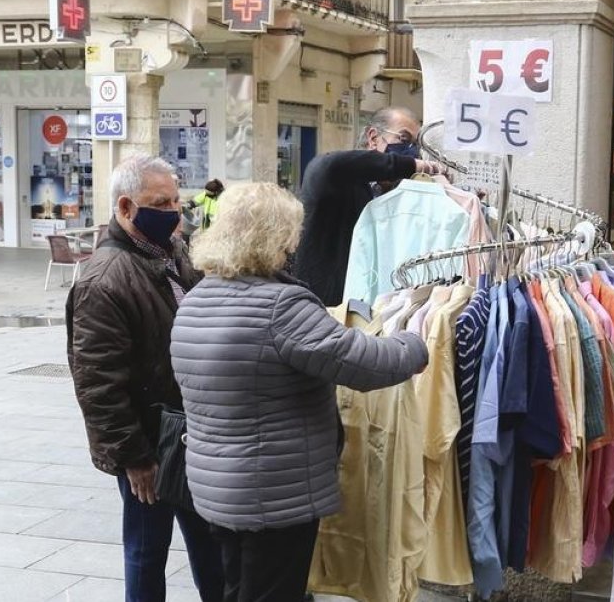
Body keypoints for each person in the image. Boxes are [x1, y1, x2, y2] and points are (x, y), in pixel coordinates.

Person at [171, 182, 430, 602]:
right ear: (279, 237)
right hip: (272, 495)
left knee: (236, 588)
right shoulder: (280, 307)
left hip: (215, 486)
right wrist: (417, 342)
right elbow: (363, 362)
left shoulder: (198, 297)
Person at [65, 155, 223, 602]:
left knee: (210, 547)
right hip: (151, 443)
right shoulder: (105, 279)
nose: (173, 210)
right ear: (126, 207)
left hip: (190, 433)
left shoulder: (173, 253)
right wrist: (134, 457)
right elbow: (97, 384)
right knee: (147, 551)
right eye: (160, 202)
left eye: (176, 199)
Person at [292, 106, 445, 306]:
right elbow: (327, 165)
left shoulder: (403, 193)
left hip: (375, 308)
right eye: (404, 140)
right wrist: (413, 165)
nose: (411, 152)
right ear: (373, 138)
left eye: (415, 145)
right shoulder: (335, 182)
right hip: (323, 307)